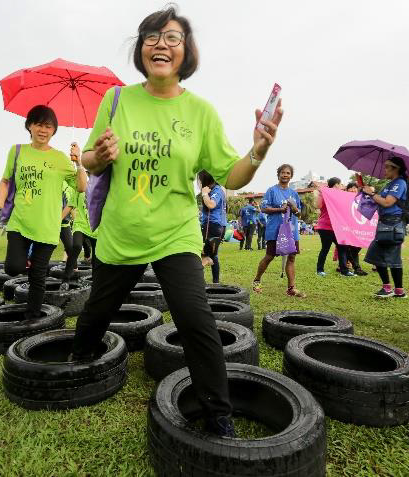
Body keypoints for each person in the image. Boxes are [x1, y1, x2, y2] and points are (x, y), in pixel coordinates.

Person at [70, 6, 284, 437]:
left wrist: (258, 149)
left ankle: (218, 415)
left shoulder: (200, 112)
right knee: (97, 311)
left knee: (195, 319)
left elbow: (230, 174)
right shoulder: (116, 100)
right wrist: (99, 156)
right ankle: (77, 361)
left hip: (176, 234)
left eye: (171, 37)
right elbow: (90, 162)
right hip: (120, 232)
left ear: (186, 52)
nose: (160, 44)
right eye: (151, 36)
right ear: (140, 48)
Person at [0, 105, 87, 319]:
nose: (43, 130)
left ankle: (32, 317)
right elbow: (6, 180)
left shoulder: (61, 158)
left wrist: (78, 162)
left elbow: (81, 187)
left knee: (38, 276)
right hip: (20, 221)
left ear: (54, 130)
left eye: (49, 126)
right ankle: (23, 260)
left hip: (48, 225)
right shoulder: (17, 151)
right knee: (13, 267)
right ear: (30, 126)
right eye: (39, 124)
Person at [252, 164, 304, 297]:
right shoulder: (271, 190)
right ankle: (256, 281)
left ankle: (291, 288)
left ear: (291, 176)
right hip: (275, 229)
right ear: (278, 174)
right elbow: (263, 209)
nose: (285, 175)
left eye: (288, 173)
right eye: (283, 173)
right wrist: (281, 209)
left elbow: (299, 214)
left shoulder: (294, 194)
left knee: (291, 258)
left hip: (291, 231)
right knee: (269, 256)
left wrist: (294, 209)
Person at [362, 156, 408, 298]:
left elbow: (387, 202)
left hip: (393, 223)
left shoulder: (399, 183)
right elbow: (379, 201)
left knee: (385, 256)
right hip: (385, 223)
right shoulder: (390, 184)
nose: (385, 169)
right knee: (380, 255)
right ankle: (396, 290)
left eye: (388, 167)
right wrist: (367, 194)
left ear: (396, 168)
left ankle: (392, 289)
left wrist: (372, 193)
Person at [62, 173, 98, 285]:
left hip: (96, 228)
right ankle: (65, 279)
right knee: (76, 246)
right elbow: (70, 205)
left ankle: (96, 282)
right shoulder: (80, 188)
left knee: (97, 257)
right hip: (80, 225)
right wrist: (58, 220)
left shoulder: (102, 189)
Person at [314, 177, 354, 277]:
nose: (341, 187)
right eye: (340, 185)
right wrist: (320, 193)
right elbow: (318, 206)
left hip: (338, 228)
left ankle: (344, 271)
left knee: (342, 248)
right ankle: (320, 270)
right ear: (336, 185)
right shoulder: (325, 194)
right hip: (325, 227)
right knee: (325, 248)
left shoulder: (341, 196)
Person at [199, 170, 226, 283]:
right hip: (213, 225)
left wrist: (204, 193)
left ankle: (199, 282)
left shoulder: (216, 190)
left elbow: (211, 204)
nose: (199, 182)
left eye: (199, 179)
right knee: (213, 255)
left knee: (204, 256)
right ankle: (216, 283)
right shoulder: (214, 189)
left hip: (213, 226)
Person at [343, 182, 368, 276]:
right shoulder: (343, 198)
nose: (353, 190)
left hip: (358, 228)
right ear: (347, 189)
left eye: (355, 188)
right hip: (347, 228)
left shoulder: (361, 200)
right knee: (350, 248)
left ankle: (344, 264)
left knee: (355, 247)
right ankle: (356, 268)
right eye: (351, 188)